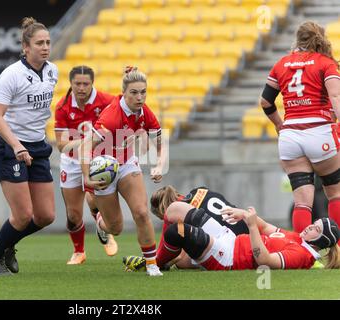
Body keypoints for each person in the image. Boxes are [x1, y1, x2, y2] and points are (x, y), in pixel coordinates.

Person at [0, 17, 58, 275]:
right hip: (9, 146)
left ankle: (7, 243)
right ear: (25, 47)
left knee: (46, 216)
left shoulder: (52, 71)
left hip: (38, 146)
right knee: (23, 215)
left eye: (48, 42)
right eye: (39, 43)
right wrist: (17, 145)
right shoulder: (11, 75)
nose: (45, 47)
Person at [80, 66, 165, 276]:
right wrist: (86, 178)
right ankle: (100, 222)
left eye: (143, 92)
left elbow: (161, 146)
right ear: (124, 93)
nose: (140, 97)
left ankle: (151, 264)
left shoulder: (145, 113)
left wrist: (159, 166)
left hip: (127, 164)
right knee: (115, 227)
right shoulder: (111, 118)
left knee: (141, 212)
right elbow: (84, 147)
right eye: (134, 93)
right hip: (104, 168)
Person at [260, 21, 340, 234]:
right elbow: (335, 96)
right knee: (335, 194)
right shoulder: (326, 63)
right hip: (319, 131)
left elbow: (265, 102)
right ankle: (339, 248)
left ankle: (306, 253)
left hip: (290, 136)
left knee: (302, 202)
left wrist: (279, 124)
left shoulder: (281, 63)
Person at [54, 65, 118, 265]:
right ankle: (79, 252)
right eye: (77, 84)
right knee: (73, 214)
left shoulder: (107, 101)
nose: (81, 88)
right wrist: (84, 143)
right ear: (71, 84)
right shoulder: (63, 107)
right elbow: (62, 146)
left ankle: (102, 227)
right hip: (72, 161)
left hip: (97, 158)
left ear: (92, 84)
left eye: (86, 84)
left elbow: (124, 111)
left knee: (92, 198)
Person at [161, 202, 340, 270]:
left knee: (178, 231)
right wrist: (243, 214)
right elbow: (266, 226)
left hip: (228, 257)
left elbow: (264, 260)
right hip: (230, 239)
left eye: (316, 229)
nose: (309, 226)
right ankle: (164, 260)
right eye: (313, 223)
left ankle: (155, 264)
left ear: (321, 240)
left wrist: (252, 226)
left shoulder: (302, 255)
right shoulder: (297, 239)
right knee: (175, 209)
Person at [124, 185, 250, 272]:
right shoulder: (200, 190)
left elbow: (177, 255)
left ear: (163, 212)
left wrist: (153, 261)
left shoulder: (175, 211)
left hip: (230, 245)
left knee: (181, 261)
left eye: (162, 219)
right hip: (247, 232)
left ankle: (151, 263)